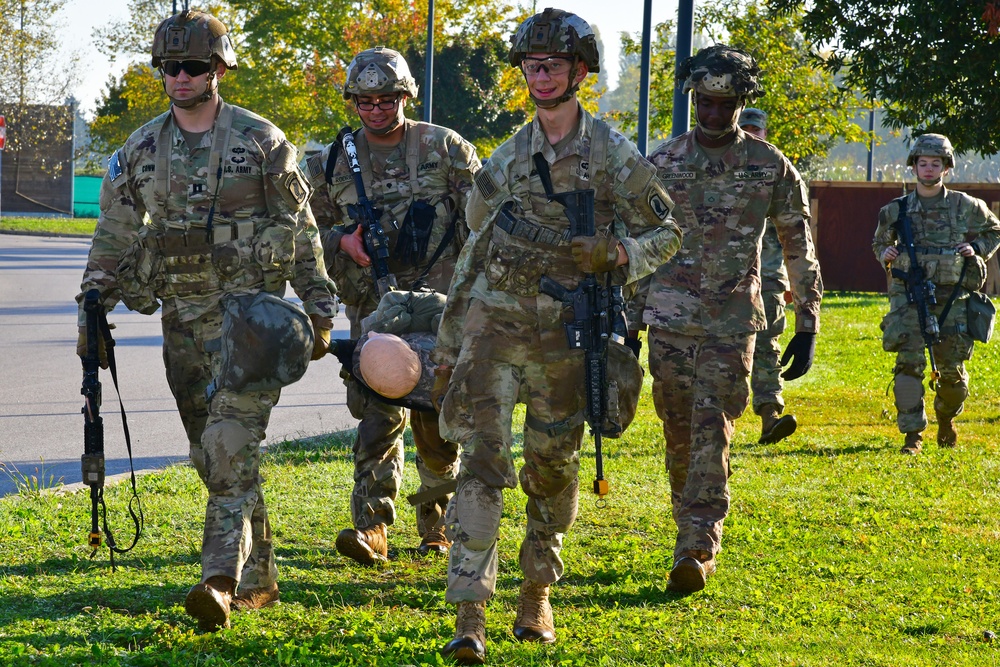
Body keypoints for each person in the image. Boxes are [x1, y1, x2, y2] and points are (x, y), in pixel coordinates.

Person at [431, 9, 682, 663]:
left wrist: (622, 253)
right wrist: (454, 332)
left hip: (568, 336)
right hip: (497, 325)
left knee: (552, 466)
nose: (541, 76)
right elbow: (475, 235)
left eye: (553, 65)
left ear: (579, 71)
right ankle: (469, 615)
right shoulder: (508, 156)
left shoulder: (613, 154)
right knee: (482, 463)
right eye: (532, 66)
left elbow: (670, 231)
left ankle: (536, 591)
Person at [75, 11, 338, 631]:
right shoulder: (139, 148)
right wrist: (93, 302)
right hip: (183, 323)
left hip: (252, 321)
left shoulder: (262, 140)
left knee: (227, 445)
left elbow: (301, 230)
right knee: (211, 452)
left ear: (219, 68)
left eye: (194, 66)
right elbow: (113, 233)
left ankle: (216, 581)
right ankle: (260, 574)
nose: (181, 77)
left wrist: (320, 308)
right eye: (171, 67)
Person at [643, 45, 823, 595]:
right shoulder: (662, 163)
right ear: (693, 99)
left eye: (728, 104)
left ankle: (698, 544)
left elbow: (798, 240)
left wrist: (807, 319)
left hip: (731, 321)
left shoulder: (769, 165)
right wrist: (625, 322)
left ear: (743, 102)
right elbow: (635, 246)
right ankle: (687, 527)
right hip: (669, 319)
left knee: (711, 428)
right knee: (678, 431)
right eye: (706, 103)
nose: (716, 115)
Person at [300, 47, 480, 564]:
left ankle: (438, 525)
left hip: (440, 307)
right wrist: (341, 243)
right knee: (377, 412)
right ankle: (372, 526)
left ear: (406, 96)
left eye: (387, 99)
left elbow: (486, 218)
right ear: (353, 102)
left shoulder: (444, 147)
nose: (376, 109)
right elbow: (299, 228)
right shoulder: (333, 160)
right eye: (365, 101)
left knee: (434, 413)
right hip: (374, 307)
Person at [873, 133, 1000, 454]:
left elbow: (994, 229)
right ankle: (912, 435)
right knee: (907, 367)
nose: (928, 169)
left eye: (935, 164)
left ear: (946, 168)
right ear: (913, 166)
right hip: (908, 297)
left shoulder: (964, 205)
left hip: (952, 296)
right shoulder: (895, 211)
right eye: (923, 163)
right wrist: (885, 252)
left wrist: (976, 248)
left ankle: (946, 418)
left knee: (952, 373)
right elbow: (878, 242)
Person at [737, 107, 799, 444]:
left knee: (766, 345)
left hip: (769, 276)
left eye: (755, 130)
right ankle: (715, 420)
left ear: (764, 133)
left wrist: (797, 284)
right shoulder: (718, 170)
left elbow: (796, 233)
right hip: (725, 279)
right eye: (744, 129)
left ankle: (770, 417)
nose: (751, 135)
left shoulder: (779, 173)